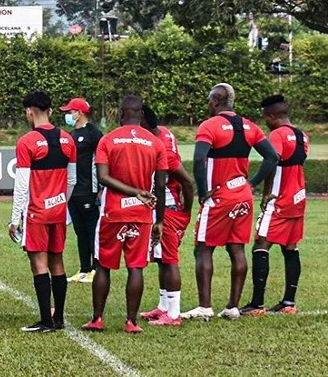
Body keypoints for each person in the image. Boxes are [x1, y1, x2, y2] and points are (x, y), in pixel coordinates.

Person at [183, 84, 278, 321]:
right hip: (243, 195)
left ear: (215, 101)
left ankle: (205, 307)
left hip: (219, 197)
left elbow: (198, 161)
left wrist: (203, 192)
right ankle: (232, 307)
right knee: (237, 249)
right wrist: (252, 183)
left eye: (209, 101)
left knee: (204, 248)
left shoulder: (209, 125)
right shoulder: (250, 126)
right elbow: (272, 156)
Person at [82, 95, 167, 333]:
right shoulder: (156, 143)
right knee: (136, 267)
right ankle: (131, 322)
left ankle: (97, 319)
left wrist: (132, 191)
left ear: (120, 114)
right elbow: (160, 186)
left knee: (103, 266)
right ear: (141, 114)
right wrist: (159, 220)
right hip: (142, 214)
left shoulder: (108, 140)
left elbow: (103, 178)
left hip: (113, 212)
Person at [9, 90, 76, 332]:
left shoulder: (26, 142)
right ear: (50, 110)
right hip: (58, 211)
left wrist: (15, 218)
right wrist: (60, 201)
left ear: (29, 112)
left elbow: (22, 185)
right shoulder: (68, 140)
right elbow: (72, 180)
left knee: (39, 264)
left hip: (37, 213)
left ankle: (46, 321)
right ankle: (58, 318)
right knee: (57, 261)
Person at [243, 94, 308, 315]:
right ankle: (289, 303)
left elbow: (272, 161)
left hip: (278, 200)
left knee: (260, 244)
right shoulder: (302, 136)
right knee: (290, 248)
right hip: (298, 199)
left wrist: (261, 189)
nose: (265, 122)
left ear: (272, 116)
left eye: (265, 118)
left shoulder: (277, 134)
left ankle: (256, 304)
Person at [138, 104, 195, 326]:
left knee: (169, 260)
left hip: (168, 208)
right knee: (161, 259)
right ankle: (163, 306)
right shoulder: (162, 133)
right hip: (162, 207)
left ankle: (174, 314)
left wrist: (187, 211)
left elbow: (188, 182)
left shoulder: (161, 149)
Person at [60, 97, 102, 283]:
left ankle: (96, 268)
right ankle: (84, 268)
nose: (68, 115)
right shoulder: (70, 135)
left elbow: (102, 161)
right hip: (73, 190)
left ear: (80, 113)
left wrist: (100, 188)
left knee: (92, 229)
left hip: (89, 189)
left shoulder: (94, 134)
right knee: (79, 230)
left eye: (71, 112)